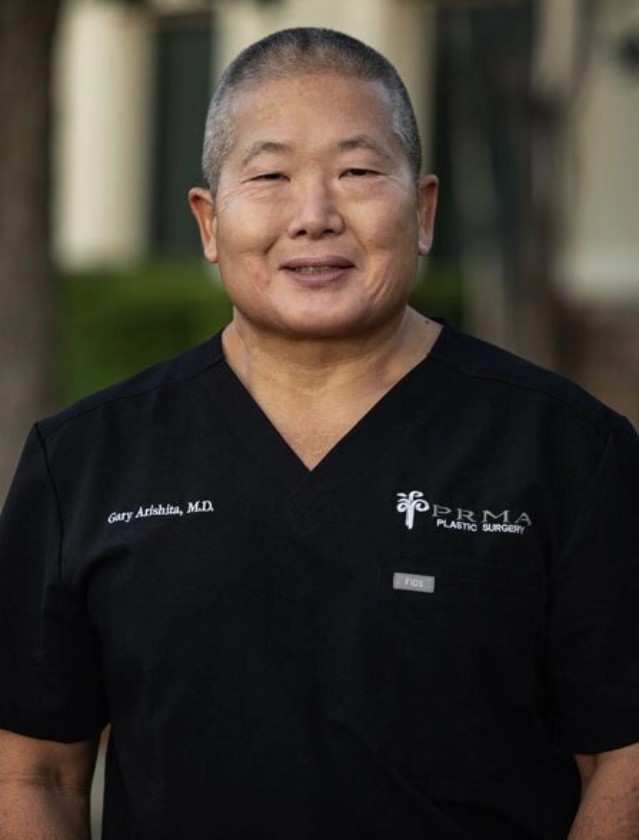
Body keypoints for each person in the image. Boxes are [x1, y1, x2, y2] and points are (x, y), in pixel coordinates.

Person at [0, 26, 638, 840]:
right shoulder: (86, 462)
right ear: (207, 221)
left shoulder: (566, 451)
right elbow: (33, 770)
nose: (314, 216)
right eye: (270, 176)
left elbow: (622, 756)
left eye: (357, 173)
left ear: (423, 210)